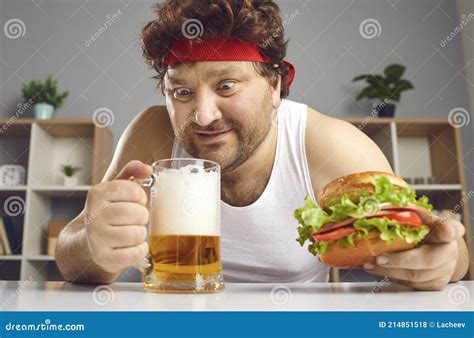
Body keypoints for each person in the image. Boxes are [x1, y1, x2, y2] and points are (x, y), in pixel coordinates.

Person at [55, 0, 469, 291]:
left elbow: (442, 247)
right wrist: (91, 244)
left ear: (275, 86)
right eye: (181, 92)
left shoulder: (329, 145)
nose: (203, 115)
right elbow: (72, 255)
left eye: (227, 85)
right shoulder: (152, 130)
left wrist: (445, 262)